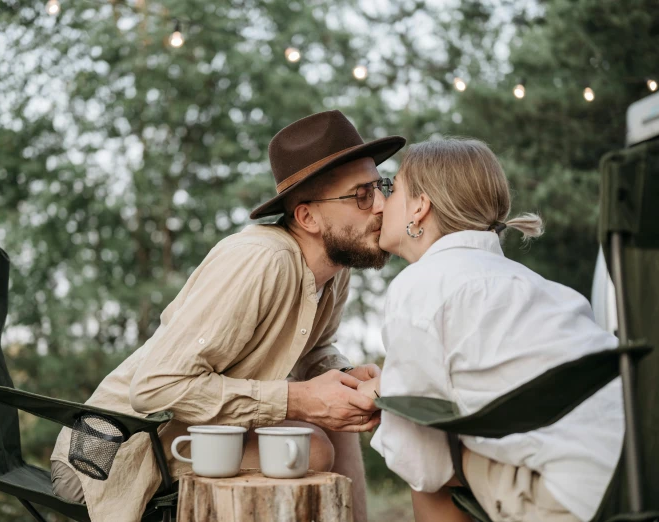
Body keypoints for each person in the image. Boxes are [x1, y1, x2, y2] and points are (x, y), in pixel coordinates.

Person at [49, 110, 404, 522]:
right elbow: (155, 386)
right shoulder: (260, 261)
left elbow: (313, 348)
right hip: (111, 459)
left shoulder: (334, 271)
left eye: (381, 186)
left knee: (341, 422)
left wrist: (345, 377)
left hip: (198, 435)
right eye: (361, 194)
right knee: (313, 445)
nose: (382, 204)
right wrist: (297, 400)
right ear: (307, 217)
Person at [365, 138, 623, 522]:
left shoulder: (420, 285)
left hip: (571, 497)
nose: (379, 202)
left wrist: (384, 401)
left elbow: (423, 465)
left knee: (426, 455)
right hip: (634, 474)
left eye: (391, 187)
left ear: (420, 207)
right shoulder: (542, 288)